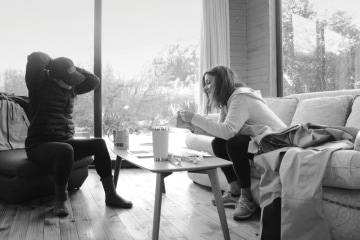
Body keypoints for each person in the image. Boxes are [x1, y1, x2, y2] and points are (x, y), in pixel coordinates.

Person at [25, 51, 132, 217]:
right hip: (38, 145)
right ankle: (60, 200)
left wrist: (70, 69)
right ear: (54, 77)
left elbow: (94, 80)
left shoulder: (70, 87)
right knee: (65, 150)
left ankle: (111, 195)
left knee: (99, 143)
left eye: (72, 81)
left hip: (65, 140)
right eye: (67, 80)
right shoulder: (39, 86)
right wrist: (53, 63)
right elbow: (35, 57)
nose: (71, 85)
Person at [178, 65, 286, 220]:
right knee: (218, 143)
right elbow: (221, 131)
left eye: (209, 82)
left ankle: (247, 198)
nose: (205, 87)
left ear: (222, 82)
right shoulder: (227, 101)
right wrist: (194, 126)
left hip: (275, 141)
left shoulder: (240, 97)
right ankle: (234, 191)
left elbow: (229, 132)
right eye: (205, 83)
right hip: (259, 139)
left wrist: (195, 117)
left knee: (234, 143)